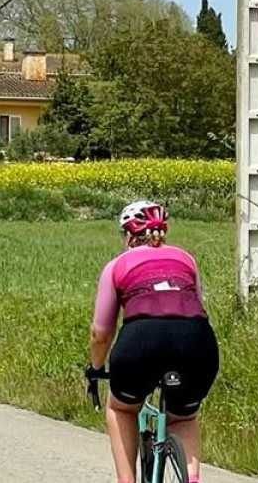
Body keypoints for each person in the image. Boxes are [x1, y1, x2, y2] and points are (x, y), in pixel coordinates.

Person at [86, 200, 219, 483]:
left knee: (120, 407)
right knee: (183, 417)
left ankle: (127, 481)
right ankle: (192, 479)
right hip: (197, 340)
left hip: (142, 341)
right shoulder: (187, 259)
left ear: (129, 234)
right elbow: (197, 305)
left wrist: (96, 368)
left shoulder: (117, 265)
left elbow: (101, 332)